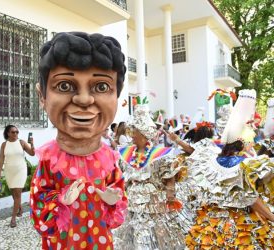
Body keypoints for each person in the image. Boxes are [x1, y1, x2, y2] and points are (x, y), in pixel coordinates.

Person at [30, 32, 128, 250]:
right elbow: (38, 207)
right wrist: (59, 200)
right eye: (64, 86)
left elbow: (118, 204)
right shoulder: (49, 160)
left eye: (101, 87)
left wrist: (113, 200)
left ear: (116, 97)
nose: (84, 99)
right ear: (42, 97)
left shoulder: (109, 160)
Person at [185, 89, 274, 248]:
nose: (253, 139)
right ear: (243, 141)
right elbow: (252, 200)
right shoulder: (244, 165)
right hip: (239, 228)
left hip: (211, 225)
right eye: (251, 136)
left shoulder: (211, 159)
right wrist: (271, 217)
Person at [114, 104, 188, 250]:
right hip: (133, 206)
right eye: (131, 131)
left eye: (134, 132)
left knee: (155, 239)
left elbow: (169, 177)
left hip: (155, 206)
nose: (132, 135)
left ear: (143, 134)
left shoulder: (160, 154)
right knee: (133, 239)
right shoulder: (126, 154)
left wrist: (170, 193)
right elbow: (122, 179)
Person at [0, 125, 35, 228]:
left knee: (17, 194)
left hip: (21, 170)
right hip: (9, 171)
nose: (16, 134)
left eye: (17, 132)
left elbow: (32, 153)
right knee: (14, 194)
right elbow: (1, 160)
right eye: (13, 132)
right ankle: (20, 208)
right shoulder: (4, 145)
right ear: (8, 133)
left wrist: (32, 144)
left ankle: (13, 218)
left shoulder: (21, 142)